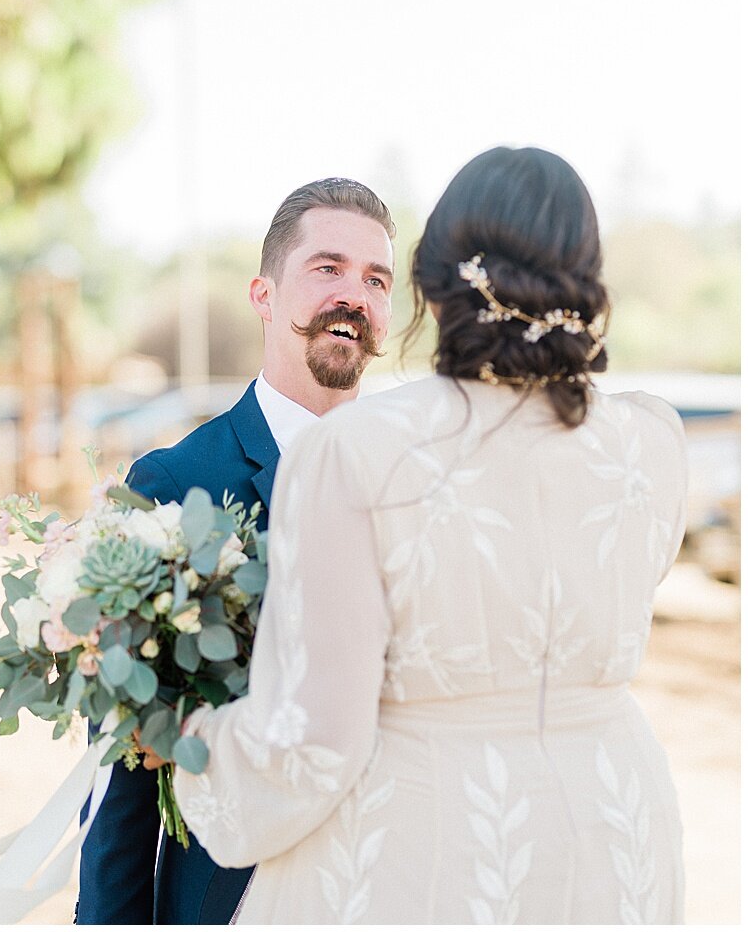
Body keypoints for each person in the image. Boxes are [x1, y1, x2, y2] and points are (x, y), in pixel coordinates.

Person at [173, 147, 687, 923]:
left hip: (436, 847)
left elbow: (314, 743)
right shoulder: (652, 440)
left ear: (430, 284)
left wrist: (193, 747)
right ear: (587, 280)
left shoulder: (355, 450)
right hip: (620, 833)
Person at [77, 178, 397, 924]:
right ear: (263, 293)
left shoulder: (414, 480)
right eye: (328, 268)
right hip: (238, 899)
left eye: (376, 280)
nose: (354, 294)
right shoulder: (176, 486)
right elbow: (121, 784)